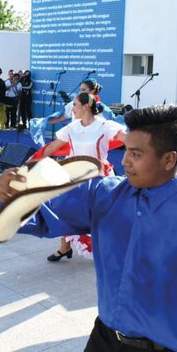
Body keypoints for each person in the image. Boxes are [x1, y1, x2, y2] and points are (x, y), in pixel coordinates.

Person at [0, 104, 177, 352]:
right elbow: (42, 216)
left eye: (136, 154)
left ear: (169, 159)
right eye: (126, 151)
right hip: (103, 343)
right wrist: (11, 196)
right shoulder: (104, 194)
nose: (126, 161)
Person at [38, 93, 126, 262]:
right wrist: (33, 161)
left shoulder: (105, 126)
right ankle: (64, 247)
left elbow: (129, 140)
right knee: (64, 210)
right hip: (74, 176)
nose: (72, 108)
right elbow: (53, 147)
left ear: (86, 106)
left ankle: (107, 250)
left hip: (98, 179)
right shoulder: (72, 128)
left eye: (75, 104)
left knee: (101, 216)